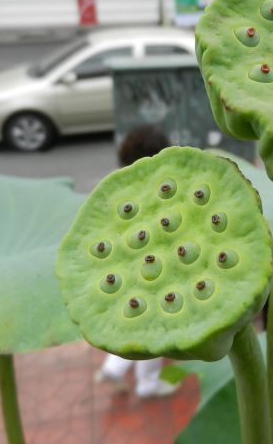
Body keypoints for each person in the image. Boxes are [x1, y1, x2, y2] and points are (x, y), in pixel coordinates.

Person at [94, 125, 179, 398]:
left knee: (135, 324)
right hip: (157, 272)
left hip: (125, 271)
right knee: (156, 329)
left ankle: (113, 368)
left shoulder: (117, 187)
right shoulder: (160, 190)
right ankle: (148, 384)